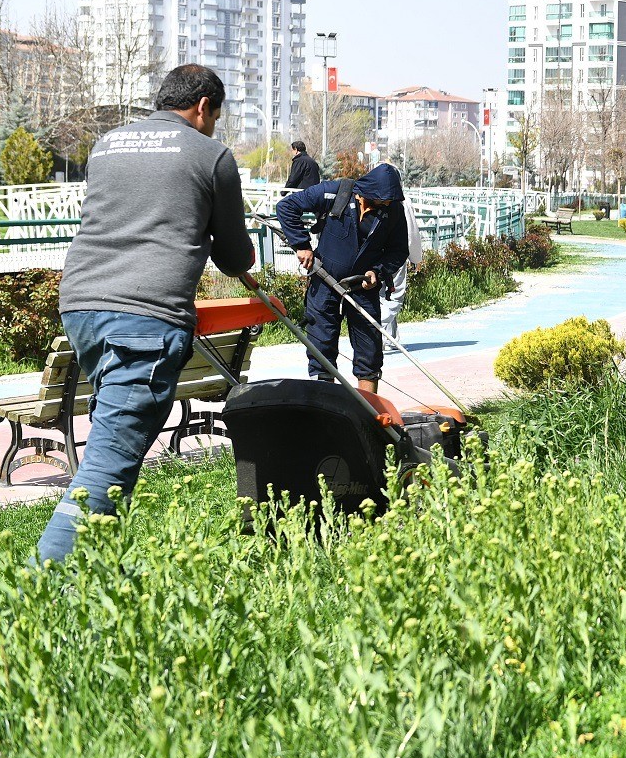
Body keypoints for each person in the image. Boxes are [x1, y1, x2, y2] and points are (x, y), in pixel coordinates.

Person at [37, 65, 255, 563]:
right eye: (215, 117)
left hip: (82, 307)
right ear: (203, 106)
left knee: (112, 440)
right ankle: (42, 587)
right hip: (145, 318)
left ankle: (97, 568)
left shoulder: (108, 144)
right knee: (108, 464)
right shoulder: (211, 155)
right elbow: (234, 257)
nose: (214, 126)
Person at [275, 164, 409, 394]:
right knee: (321, 345)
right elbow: (287, 206)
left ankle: (369, 410)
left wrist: (378, 272)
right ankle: (327, 404)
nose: (387, 204)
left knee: (369, 349)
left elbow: (398, 251)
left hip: (362, 286)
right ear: (369, 192)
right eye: (383, 200)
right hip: (324, 281)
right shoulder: (335, 192)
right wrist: (301, 245)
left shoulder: (393, 211)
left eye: (390, 200)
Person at [380, 167, 424, 351]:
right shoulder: (403, 202)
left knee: (381, 296)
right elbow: (411, 233)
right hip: (395, 257)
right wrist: (416, 257)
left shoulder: (372, 199)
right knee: (394, 297)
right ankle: (375, 330)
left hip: (373, 255)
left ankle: (391, 338)